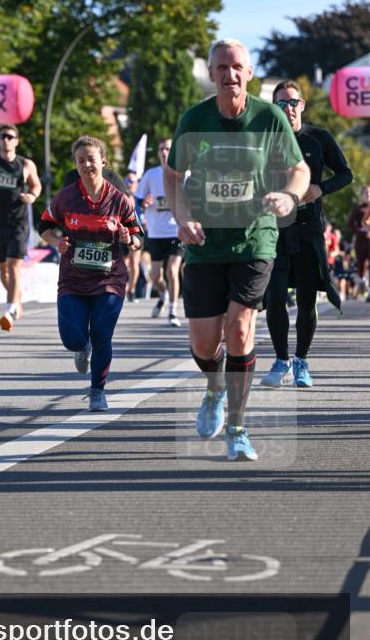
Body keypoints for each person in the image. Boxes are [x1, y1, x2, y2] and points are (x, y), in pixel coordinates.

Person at [164, 39, 310, 462]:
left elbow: (298, 169)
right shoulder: (195, 120)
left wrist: (289, 197)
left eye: (237, 67)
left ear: (249, 74)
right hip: (205, 241)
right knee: (204, 344)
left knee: (240, 327)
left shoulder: (268, 118)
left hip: (254, 237)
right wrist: (182, 217)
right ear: (211, 74)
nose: (230, 74)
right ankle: (213, 389)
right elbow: (173, 175)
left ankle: (238, 427)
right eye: (222, 67)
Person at [38, 135, 142, 412]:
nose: (86, 165)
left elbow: (137, 237)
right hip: (73, 279)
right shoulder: (67, 196)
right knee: (72, 338)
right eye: (81, 160)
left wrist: (127, 238)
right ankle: (82, 348)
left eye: (91, 159)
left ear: (103, 161)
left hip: (110, 279)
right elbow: (44, 226)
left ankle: (98, 390)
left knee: (102, 333)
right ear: (76, 163)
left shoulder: (119, 200)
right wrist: (55, 242)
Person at [261, 81, 352, 388]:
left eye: (292, 102)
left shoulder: (318, 138)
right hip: (274, 231)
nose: (287, 109)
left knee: (306, 301)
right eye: (280, 104)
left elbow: (345, 174)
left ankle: (301, 360)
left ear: (302, 105)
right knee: (274, 299)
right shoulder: (265, 139)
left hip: (308, 229)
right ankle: (280, 359)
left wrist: (319, 188)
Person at [0, 124, 41, 331]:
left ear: (16, 141)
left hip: (18, 223)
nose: (6, 140)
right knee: (4, 272)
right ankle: (17, 299)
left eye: (10, 137)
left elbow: (36, 185)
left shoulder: (26, 165)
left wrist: (32, 196)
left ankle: (10, 310)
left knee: (14, 267)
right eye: (3, 136)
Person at [137, 138, 184, 326]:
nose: (165, 152)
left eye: (168, 149)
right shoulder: (150, 175)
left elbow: (193, 197)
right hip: (156, 233)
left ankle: (173, 311)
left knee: (173, 270)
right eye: (161, 149)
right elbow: (138, 200)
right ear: (158, 153)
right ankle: (163, 296)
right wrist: (144, 202)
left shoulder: (183, 174)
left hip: (177, 230)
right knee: (156, 277)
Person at [123, 171, 143, 301]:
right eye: (127, 181)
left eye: (132, 181)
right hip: (122, 233)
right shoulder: (120, 198)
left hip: (136, 233)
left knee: (134, 262)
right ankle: (123, 289)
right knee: (123, 263)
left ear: (137, 184)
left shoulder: (140, 200)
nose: (129, 184)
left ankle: (131, 290)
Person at [348, 185, 370, 293]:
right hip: (361, 242)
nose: (368, 194)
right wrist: (361, 231)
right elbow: (351, 224)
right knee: (361, 266)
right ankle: (364, 287)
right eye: (366, 192)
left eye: (369, 192)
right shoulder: (358, 208)